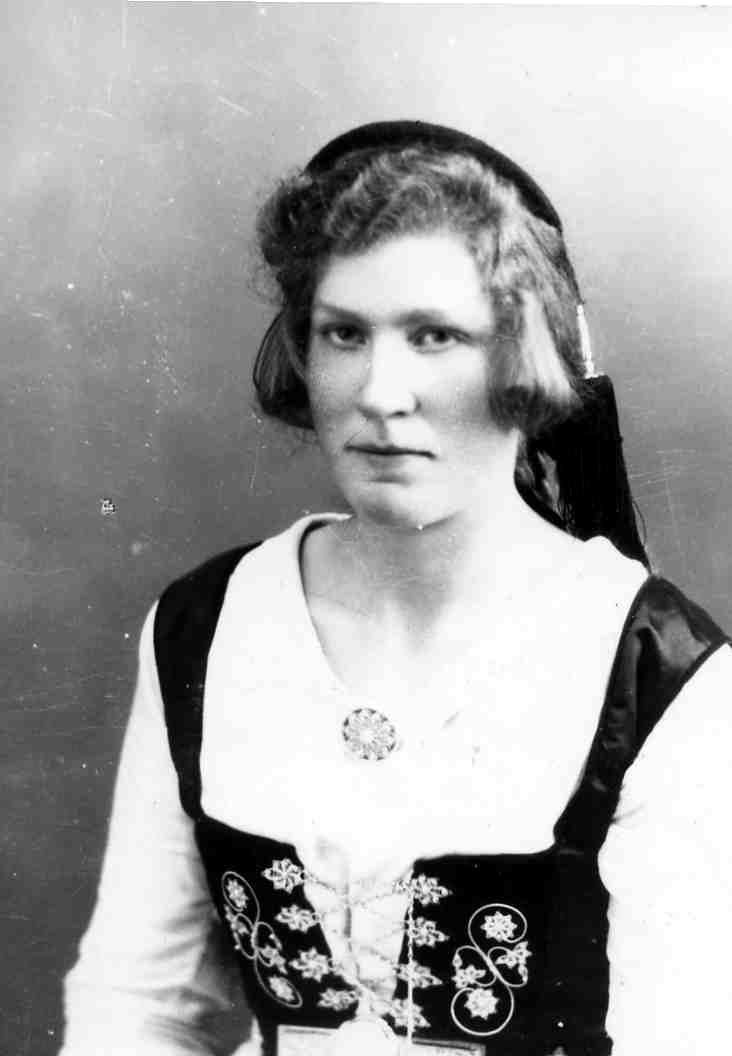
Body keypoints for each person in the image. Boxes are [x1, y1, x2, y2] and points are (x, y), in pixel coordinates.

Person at [60, 121, 731, 1056]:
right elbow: (140, 1005)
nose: (380, 392)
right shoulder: (207, 625)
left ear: (524, 359)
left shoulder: (657, 671)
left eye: (434, 336)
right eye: (345, 333)